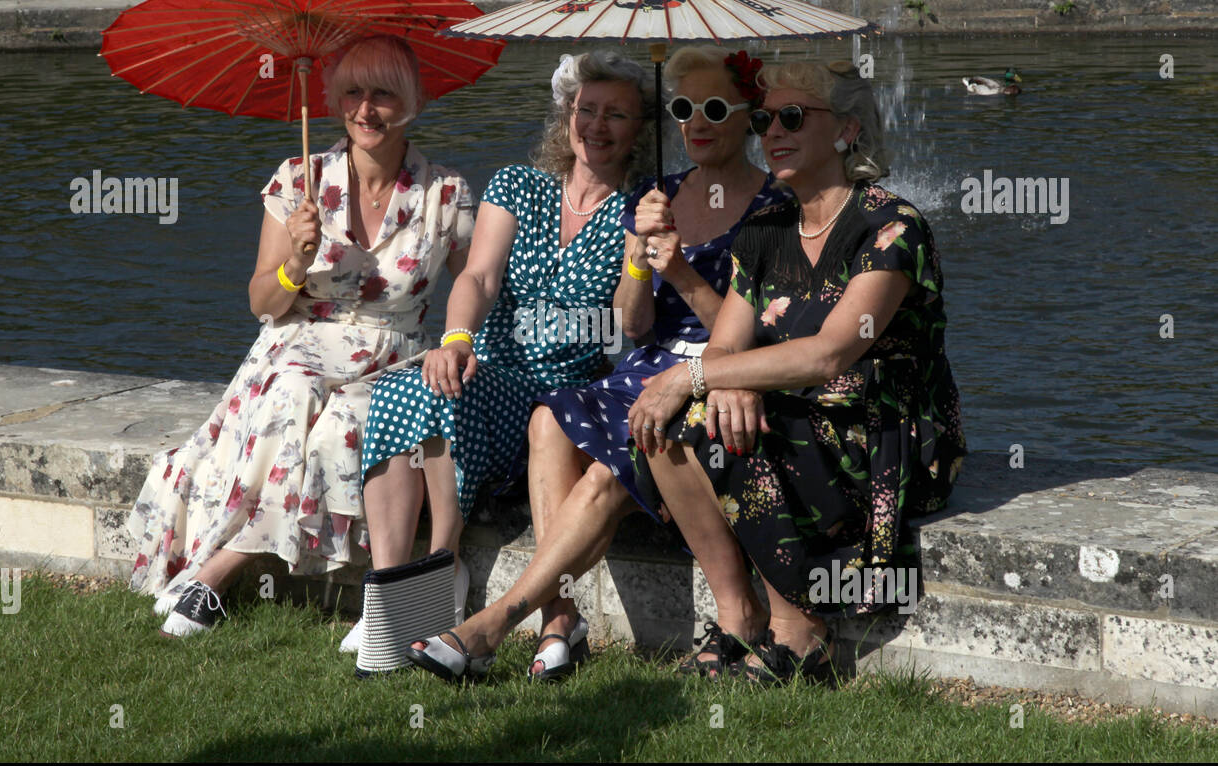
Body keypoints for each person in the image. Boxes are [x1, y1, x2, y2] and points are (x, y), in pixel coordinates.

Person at [402, 46, 788, 683]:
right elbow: (633, 323)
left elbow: (752, 335)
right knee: (549, 421)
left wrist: (681, 271)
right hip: (647, 367)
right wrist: (639, 257)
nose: (698, 121)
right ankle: (553, 619)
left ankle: (495, 622)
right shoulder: (659, 196)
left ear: (749, 117)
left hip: (720, 371)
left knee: (607, 476)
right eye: (685, 107)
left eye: (716, 107)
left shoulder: (773, 205)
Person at [626, 60, 967, 684]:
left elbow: (832, 353)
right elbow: (726, 343)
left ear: (847, 130)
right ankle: (741, 617)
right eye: (762, 120)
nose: (770, 133)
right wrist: (723, 377)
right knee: (670, 418)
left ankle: (800, 631)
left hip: (886, 434)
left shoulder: (891, 227)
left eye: (791, 118)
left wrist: (696, 377)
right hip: (800, 413)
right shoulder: (764, 230)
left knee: (701, 408)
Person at [127, 34, 476, 636]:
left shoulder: (445, 193)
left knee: (340, 425)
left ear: (413, 102)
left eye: (384, 94)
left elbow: (481, 283)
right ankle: (222, 576)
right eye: (352, 93)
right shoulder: (299, 180)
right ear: (335, 101)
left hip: (392, 356)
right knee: (293, 393)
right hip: (298, 347)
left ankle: (213, 575)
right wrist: (297, 259)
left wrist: (461, 340)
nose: (366, 109)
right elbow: (262, 301)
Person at [345, 49, 656, 658]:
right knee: (407, 388)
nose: (596, 126)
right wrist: (457, 338)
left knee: (444, 400)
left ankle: (438, 577)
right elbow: (479, 278)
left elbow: (630, 324)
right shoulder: (517, 184)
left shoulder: (641, 209)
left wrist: (641, 254)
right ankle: (395, 592)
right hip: (491, 367)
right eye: (585, 110)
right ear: (567, 115)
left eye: (615, 115)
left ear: (641, 129)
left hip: (561, 393)